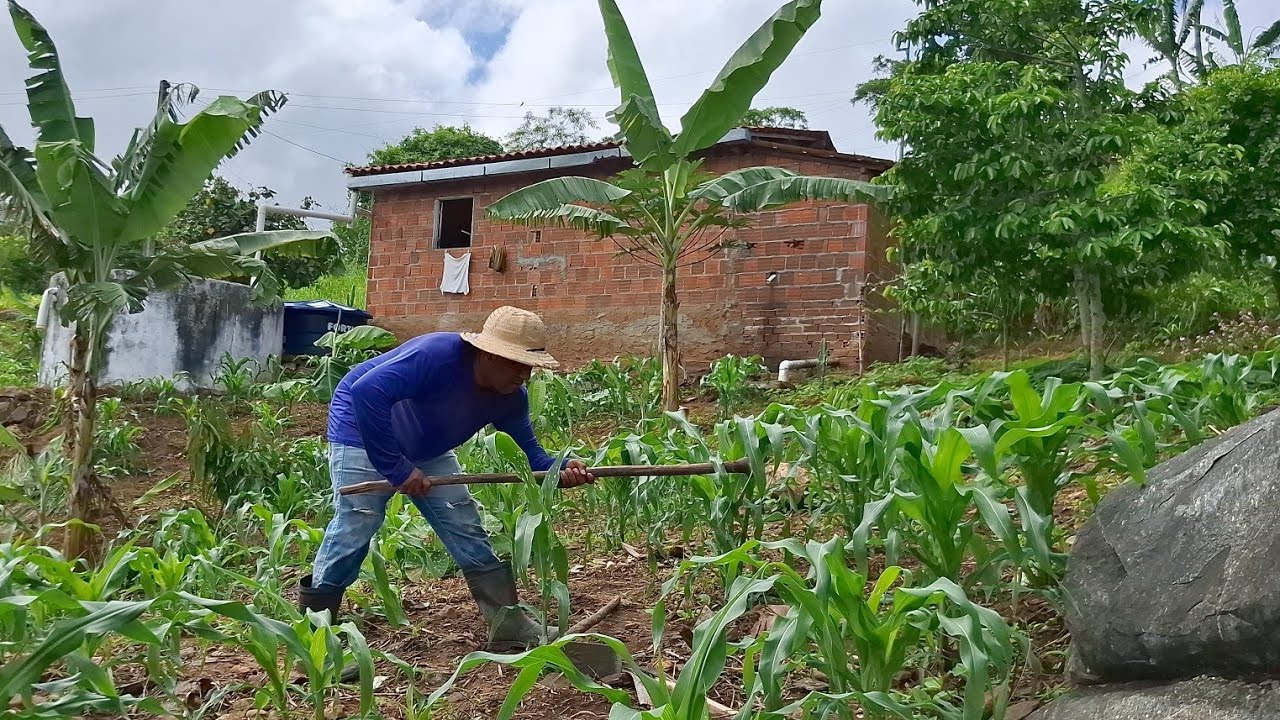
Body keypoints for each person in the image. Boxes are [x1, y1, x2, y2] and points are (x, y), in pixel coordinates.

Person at [298, 305, 594, 650]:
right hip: (361, 430)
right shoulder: (436, 356)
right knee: (357, 522)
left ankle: (507, 624)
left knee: (463, 522)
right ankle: (317, 634)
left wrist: (562, 470)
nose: (524, 375)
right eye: (517, 363)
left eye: (529, 366)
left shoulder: (510, 398)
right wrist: (397, 469)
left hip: (427, 445)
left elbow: (535, 457)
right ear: (489, 355)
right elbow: (366, 393)